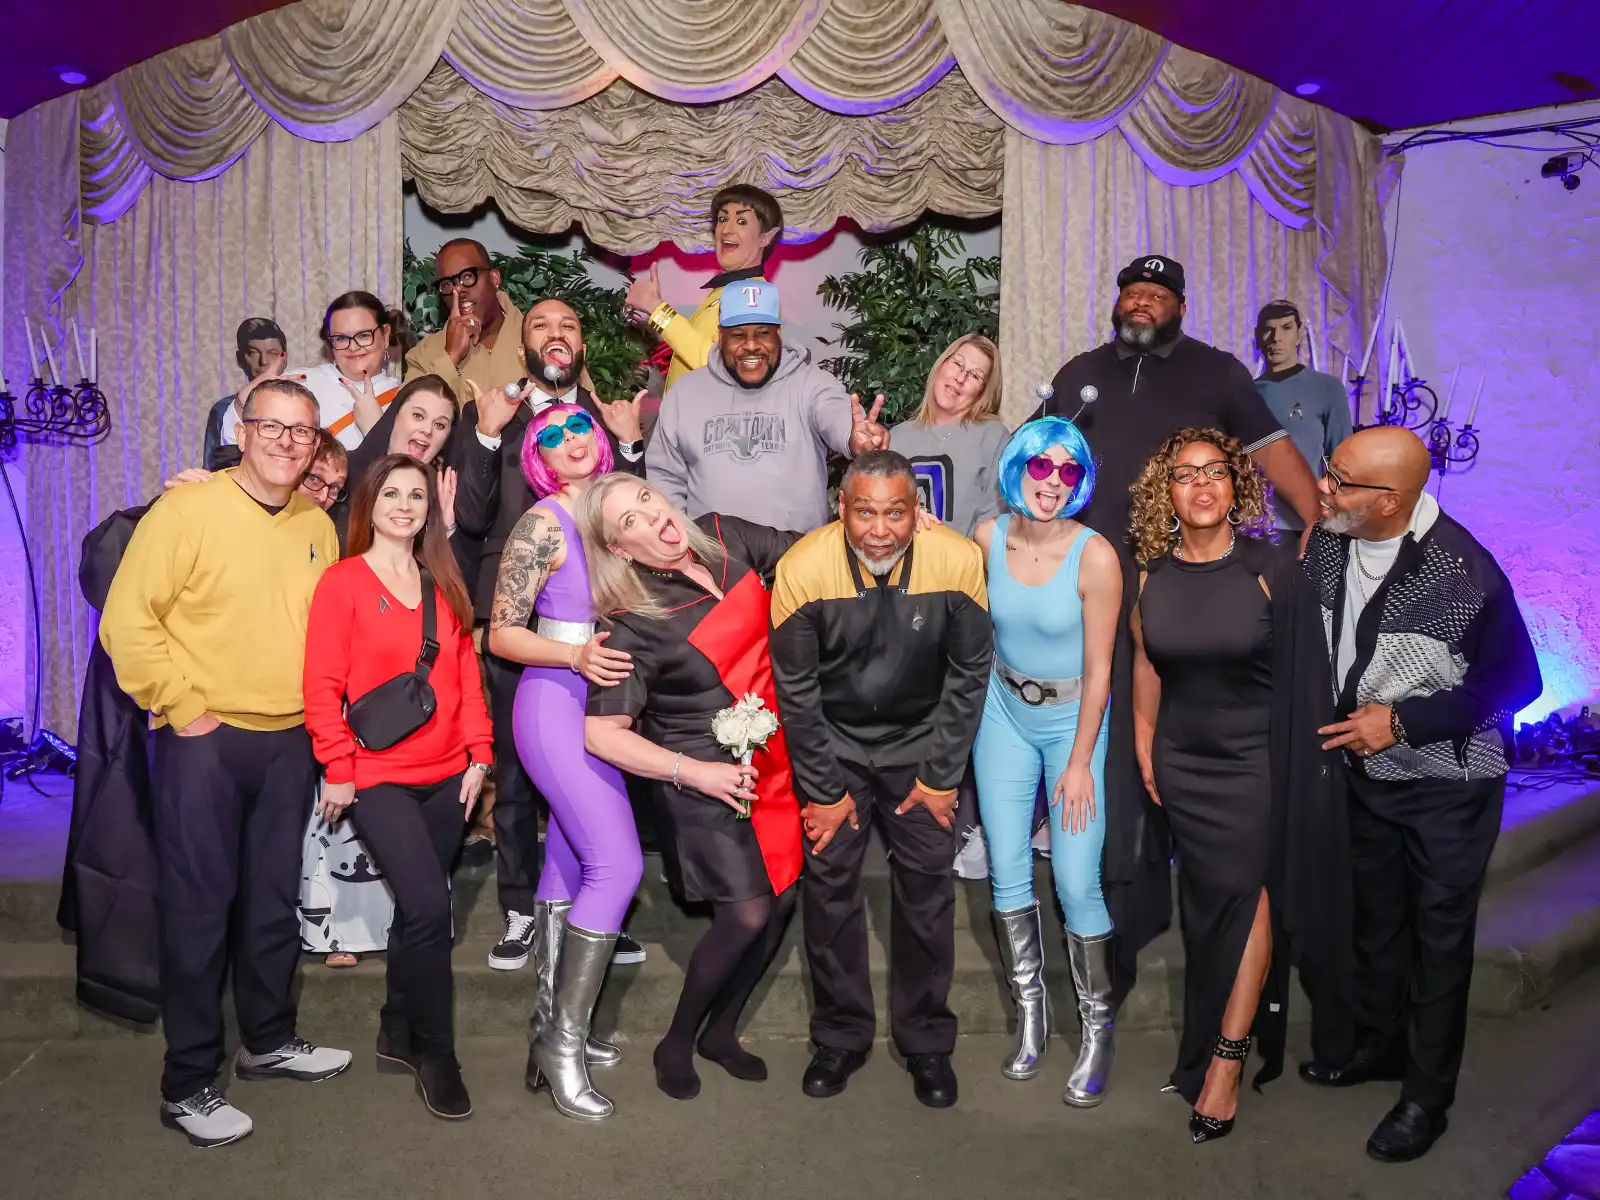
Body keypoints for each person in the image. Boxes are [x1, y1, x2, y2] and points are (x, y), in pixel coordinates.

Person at [1028, 254, 1325, 998]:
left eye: (1158, 294)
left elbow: (1268, 449)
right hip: (1087, 582)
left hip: (1177, 585)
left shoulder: (1216, 371)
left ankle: (1177, 895)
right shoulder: (1080, 374)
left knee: (1160, 741)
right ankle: (1118, 909)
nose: (1143, 301)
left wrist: (1316, 517)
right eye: (1133, 290)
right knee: (1106, 748)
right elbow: (1034, 461)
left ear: (1181, 307)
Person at [99, 378, 352, 1149]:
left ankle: (267, 1040)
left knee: (272, 904)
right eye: (271, 426)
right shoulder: (187, 510)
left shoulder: (317, 524)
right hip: (204, 741)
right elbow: (126, 621)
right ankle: (188, 1083)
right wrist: (183, 707)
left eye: (302, 431)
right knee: (201, 909)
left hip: (288, 743)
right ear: (241, 433)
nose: (286, 441)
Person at [1299, 426, 1542, 1163]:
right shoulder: (1333, 540)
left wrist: (1404, 722)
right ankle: (1381, 1047)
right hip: (1366, 776)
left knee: (1438, 941)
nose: (1323, 487)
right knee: (1376, 923)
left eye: (1339, 479)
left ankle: (1426, 1100)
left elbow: (1519, 683)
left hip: (1449, 786)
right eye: (1329, 469)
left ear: (1390, 501)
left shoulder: (1465, 574)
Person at [1128, 428, 1350, 1144]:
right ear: (1165, 492)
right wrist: (1144, 740)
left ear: (1235, 486)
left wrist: (1308, 774)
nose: (1201, 484)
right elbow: (1147, 664)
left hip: (1257, 764)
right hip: (1182, 764)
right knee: (1206, 913)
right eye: (1184, 474)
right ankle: (1202, 1049)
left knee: (1247, 901)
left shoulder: (1273, 570)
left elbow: (1309, 678)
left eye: (1215, 472)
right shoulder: (1151, 576)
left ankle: (1225, 1064)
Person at [769, 450, 992, 1108]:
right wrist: (823, 790)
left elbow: (969, 674)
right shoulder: (803, 567)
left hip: (921, 745)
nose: (879, 529)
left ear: (917, 512)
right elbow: (796, 692)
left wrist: (942, 777)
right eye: (864, 512)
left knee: (927, 893)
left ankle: (926, 1042)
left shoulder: (957, 559)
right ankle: (840, 1036)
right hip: (834, 744)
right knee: (830, 890)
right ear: (840, 509)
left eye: (896, 513)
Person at [579, 475, 804, 1106]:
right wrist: (696, 773)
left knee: (784, 898)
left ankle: (722, 1032)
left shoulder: (726, 536)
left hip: (772, 757)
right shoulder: (630, 623)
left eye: (645, 500)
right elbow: (601, 734)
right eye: (629, 521)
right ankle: (676, 1042)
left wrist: (900, 530)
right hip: (699, 773)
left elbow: (812, 554)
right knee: (747, 912)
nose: (651, 518)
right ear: (619, 549)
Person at [451, 298, 648, 971]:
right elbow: (470, 518)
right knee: (516, 772)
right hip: (524, 624)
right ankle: (518, 910)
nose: (556, 334)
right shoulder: (494, 417)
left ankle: (597, 909)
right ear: (523, 345)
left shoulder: (601, 418)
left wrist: (631, 446)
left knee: (600, 773)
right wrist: (484, 437)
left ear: (582, 344)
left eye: (569, 324)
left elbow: (632, 518)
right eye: (541, 325)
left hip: (607, 634)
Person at [302, 454, 491, 1120]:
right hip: (378, 776)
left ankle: (396, 1027)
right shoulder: (343, 583)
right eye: (392, 493)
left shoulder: (443, 580)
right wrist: (338, 767)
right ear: (369, 505)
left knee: (417, 912)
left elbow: (465, 677)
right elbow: (321, 685)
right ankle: (437, 1055)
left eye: (416, 495)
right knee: (431, 909)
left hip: (449, 777)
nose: (405, 505)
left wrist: (479, 755)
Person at [486, 405, 642, 1120]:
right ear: (538, 459)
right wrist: (575, 655)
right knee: (618, 864)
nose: (568, 439)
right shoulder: (541, 524)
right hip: (555, 703)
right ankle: (563, 1047)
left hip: (611, 706)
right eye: (549, 435)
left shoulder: (620, 508)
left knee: (570, 866)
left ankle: (547, 1031)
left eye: (578, 427)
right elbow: (500, 635)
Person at [970, 418, 1121, 1102]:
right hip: (1003, 711)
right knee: (1005, 867)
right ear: (1018, 469)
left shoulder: (1096, 556)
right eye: (1040, 467)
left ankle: (1097, 1030)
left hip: (1073, 723)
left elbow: (1101, 670)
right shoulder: (987, 537)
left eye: (1067, 471)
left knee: (1075, 879)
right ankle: (1031, 1017)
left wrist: (1081, 760)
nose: (1052, 482)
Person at [886, 332, 1009, 880]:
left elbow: (994, 519)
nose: (959, 378)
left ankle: (973, 826)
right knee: (910, 715)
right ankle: (914, 824)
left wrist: (946, 548)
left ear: (984, 390)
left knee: (964, 717)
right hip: (897, 597)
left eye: (975, 375)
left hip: (960, 595)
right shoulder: (899, 436)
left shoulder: (992, 436)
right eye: (956, 364)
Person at [647, 279, 889, 532]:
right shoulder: (685, 393)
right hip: (714, 553)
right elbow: (664, 477)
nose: (751, 346)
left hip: (797, 551)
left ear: (778, 334)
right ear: (720, 335)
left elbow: (833, 410)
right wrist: (680, 542)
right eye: (738, 335)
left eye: (763, 333)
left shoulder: (810, 383)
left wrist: (852, 435)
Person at [625, 184, 784, 389]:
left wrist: (656, 309)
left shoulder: (755, 294)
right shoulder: (726, 290)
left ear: (765, 237)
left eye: (741, 221)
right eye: (723, 219)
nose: (726, 229)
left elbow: (722, 365)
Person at [1254, 299, 1353, 531]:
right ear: (1258, 337)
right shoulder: (1246, 393)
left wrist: (1339, 521)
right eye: (1269, 329)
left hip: (1307, 524)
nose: (1276, 337)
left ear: (1299, 334)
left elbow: (1342, 461)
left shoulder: (1326, 388)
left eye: (1286, 328)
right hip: (1257, 525)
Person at [406, 239, 527, 400]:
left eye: (468, 276)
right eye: (447, 284)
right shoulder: (423, 354)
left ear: (494, 278)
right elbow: (412, 411)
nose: (457, 290)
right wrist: (450, 358)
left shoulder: (538, 337)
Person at [297, 291, 404, 448]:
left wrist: (375, 430)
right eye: (341, 338)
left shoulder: (406, 398)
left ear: (385, 334)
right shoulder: (301, 383)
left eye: (363, 335)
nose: (353, 347)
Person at [205, 318, 288, 469]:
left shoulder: (302, 405)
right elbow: (211, 468)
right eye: (253, 353)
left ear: (284, 357)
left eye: (272, 353)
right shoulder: (224, 409)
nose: (263, 361)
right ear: (240, 358)